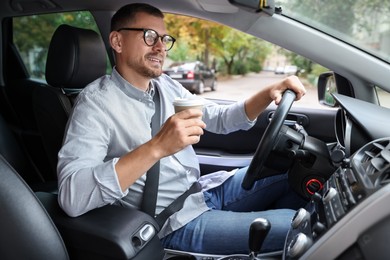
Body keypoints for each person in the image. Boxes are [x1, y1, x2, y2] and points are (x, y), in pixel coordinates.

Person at [57, 3, 307, 255]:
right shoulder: (95, 105)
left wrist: (269, 92)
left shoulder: (164, 85)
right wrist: (156, 147)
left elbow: (220, 118)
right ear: (117, 41)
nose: (160, 47)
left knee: (298, 171)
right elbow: (72, 196)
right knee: (302, 225)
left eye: (164, 39)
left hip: (203, 191)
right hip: (173, 223)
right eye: (149, 36)